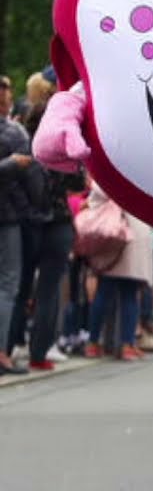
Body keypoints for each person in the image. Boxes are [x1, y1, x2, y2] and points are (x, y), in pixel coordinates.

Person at [14, 103, 84, 371]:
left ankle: (9, 347)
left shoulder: (23, 146)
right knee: (49, 290)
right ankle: (39, 353)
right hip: (58, 221)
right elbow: (77, 183)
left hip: (28, 222)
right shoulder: (60, 147)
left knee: (19, 287)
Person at [83, 181, 153, 361]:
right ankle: (127, 345)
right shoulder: (140, 176)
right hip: (135, 233)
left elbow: (97, 194)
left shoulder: (107, 173)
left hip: (111, 234)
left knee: (104, 291)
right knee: (129, 294)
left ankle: (93, 343)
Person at [0, 80, 31, 375]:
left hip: (11, 215)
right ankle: (1, 354)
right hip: (8, 217)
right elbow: (31, 176)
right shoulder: (13, 132)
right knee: (8, 285)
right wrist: (12, 164)